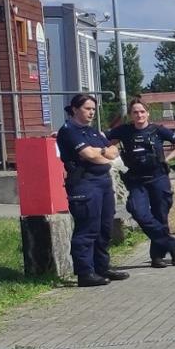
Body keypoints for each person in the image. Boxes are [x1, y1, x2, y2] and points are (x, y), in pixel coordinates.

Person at [55, 94, 127, 287]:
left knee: (104, 228)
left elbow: (113, 152)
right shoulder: (69, 131)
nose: (91, 113)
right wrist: (101, 153)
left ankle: (101, 267)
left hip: (102, 182)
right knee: (88, 229)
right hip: (84, 184)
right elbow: (88, 154)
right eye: (88, 109)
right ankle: (85, 272)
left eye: (93, 109)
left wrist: (101, 152)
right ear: (75, 109)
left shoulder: (91, 131)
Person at [108, 100, 175, 267]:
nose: (139, 115)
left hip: (158, 177)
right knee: (138, 211)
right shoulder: (124, 131)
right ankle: (171, 244)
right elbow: (102, 138)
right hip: (137, 180)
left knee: (160, 216)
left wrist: (167, 159)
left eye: (142, 112)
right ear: (131, 115)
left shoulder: (157, 130)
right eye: (135, 112)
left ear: (148, 113)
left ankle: (157, 257)